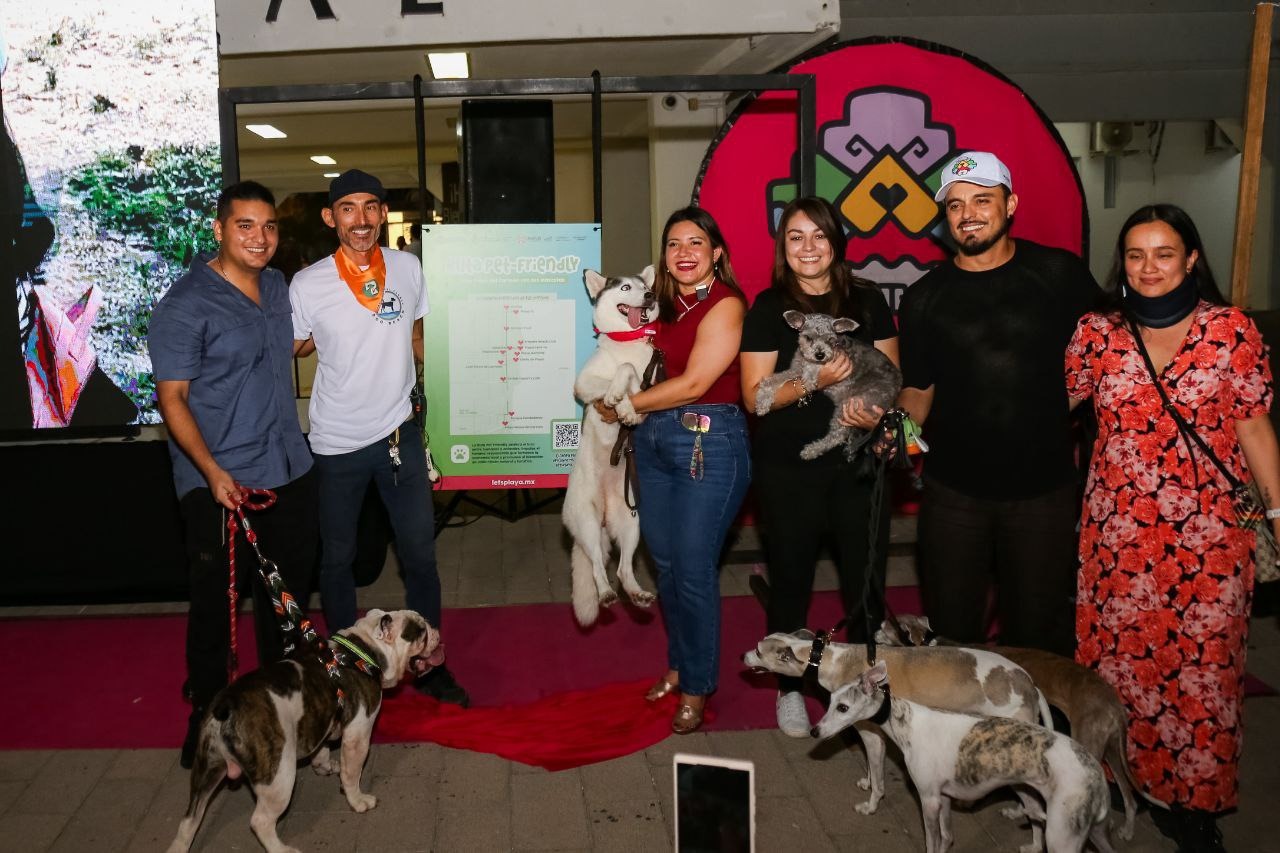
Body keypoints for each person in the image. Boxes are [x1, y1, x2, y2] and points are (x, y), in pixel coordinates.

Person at [1067, 204, 1277, 853]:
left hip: (1212, 538)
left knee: (1205, 674)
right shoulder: (1097, 332)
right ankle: (1115, 780)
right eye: (1136, 255)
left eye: (1164, 253)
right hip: (1117, 537)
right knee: (1120, 667)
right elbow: (1047, 410)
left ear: (1191, 258)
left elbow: (1254, 431)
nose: (1149, 267)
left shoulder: (1230, 330)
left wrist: (1277, 514)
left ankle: (1195, 804)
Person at [892, 150, 1100, 657]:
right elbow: (918, 389)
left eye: (982, 200)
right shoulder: (923, 297)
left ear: (1010, 205)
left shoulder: (1058, 273)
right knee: (953, 639)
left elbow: (1109, 353)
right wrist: (893, 430)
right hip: (953, 495)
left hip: (1042, 492)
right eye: (955, 205)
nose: (968, 214)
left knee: (1038, 640)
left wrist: (1053, 407)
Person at [149, 180, 318, 768]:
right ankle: (206, 721)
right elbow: (172, 399)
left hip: (288, 469)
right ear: (219, 230)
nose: (259, 238)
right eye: (245, 225)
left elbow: (288, 346)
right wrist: (212, 472)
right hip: (220, 482)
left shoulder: (276, 287)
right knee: (215, 614)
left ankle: (280, 713)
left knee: (285, 605)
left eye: (269, 226)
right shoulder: (184, 305)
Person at [289, 169, 467, 706]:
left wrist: (470, 377)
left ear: (383, 214)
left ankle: (429, 664)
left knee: (420, 557)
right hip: (336, 444)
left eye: (371, 207)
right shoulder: (308, 284)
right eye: (348, 208)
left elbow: (417, 337)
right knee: (337, 560)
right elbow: (290, 348)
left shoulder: (408, 268)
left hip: (398, 437)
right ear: (331, 218)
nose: (361, 219)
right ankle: (346, 672)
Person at [740, 196, 899, 737]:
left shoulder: (869, 301)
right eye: (795, 237)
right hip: (789, 471)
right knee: (790, 583)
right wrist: (818, 381)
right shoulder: (769, 308)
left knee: (865, 587)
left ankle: (867, 689)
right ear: (783, 248)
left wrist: (873, 411)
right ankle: (789, 687)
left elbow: (892, 379)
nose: (808, 248)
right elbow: (753, 397)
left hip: (859, 467)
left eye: (819, 236)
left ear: (836, 242)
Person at [599, 207, 751, 734]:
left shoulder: (726, 305)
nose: (684, 252)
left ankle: (698, 686)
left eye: (695, 243)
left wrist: (625, 405)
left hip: (709, 441)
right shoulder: (660, 305)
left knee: (692, 568)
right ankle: (681, 663)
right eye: (673, 244)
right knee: (664, 563)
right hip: (654, 441)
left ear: (716, 253)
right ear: (663, 256)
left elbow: (694, 383)